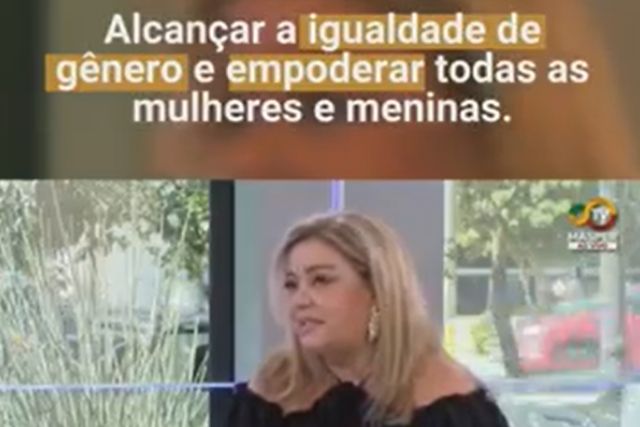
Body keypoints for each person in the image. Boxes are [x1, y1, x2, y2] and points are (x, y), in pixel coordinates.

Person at [228, 211, 511, 426]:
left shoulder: (449, 403)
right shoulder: (273, 385)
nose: (300, 300)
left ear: (377, 290)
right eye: (291, 284)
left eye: (321, 280)